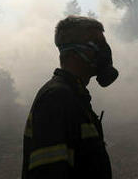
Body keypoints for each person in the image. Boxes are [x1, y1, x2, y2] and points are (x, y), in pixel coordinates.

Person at [22, 16, 119, 179]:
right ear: (74, 53)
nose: (104, 51)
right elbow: (49, 173)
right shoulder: (56, 98)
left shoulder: (74, 96)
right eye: (97, 45)